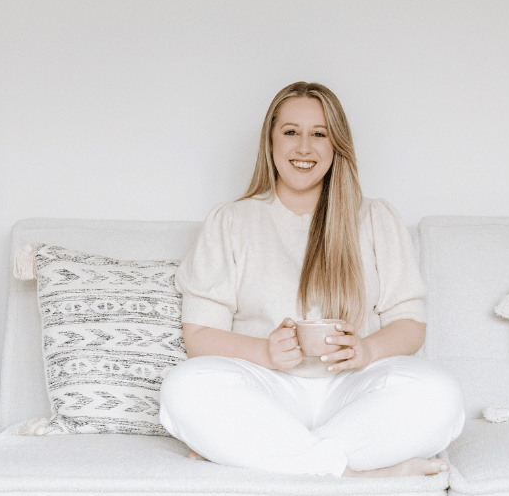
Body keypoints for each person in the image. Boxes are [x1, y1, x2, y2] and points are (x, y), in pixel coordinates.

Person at [159, 82, 464, 478]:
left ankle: (264, 456)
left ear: (336, 145)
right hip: (265, 387)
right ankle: (356, 476)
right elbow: (199, 334)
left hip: (354, 389)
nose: (304, 148)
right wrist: (266, 352)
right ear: (270, 142)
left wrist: (366, 351)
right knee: (184, 387)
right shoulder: (231, 220)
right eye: (291, 132)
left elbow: (411, 325)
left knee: (439, 393)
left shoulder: (375, 218)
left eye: (318, 134)